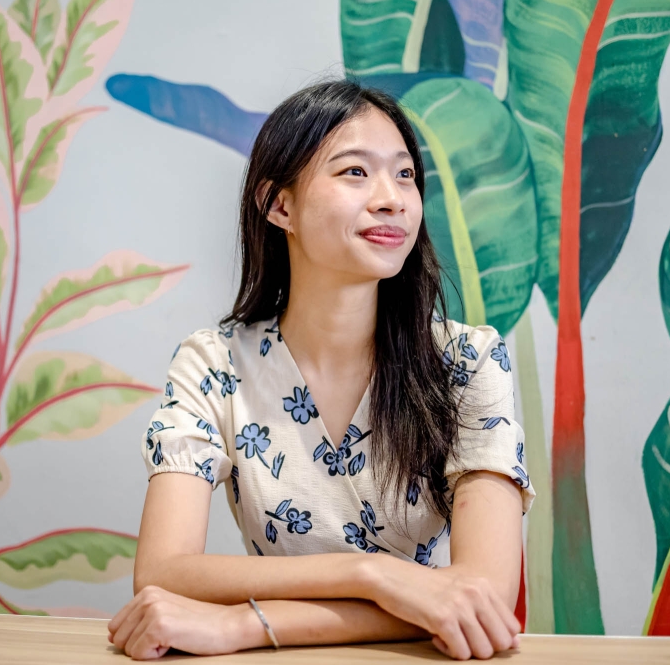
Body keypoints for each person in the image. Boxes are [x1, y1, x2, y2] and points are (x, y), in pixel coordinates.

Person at [107, 79, 535, 660]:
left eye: (405, 174)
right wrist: (378, 577)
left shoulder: (469, 363)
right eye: (355, 172)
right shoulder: (213, 363)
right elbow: (163, 572)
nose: (392, 198)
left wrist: (245, 626)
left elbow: (481, 598)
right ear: (279, 205)